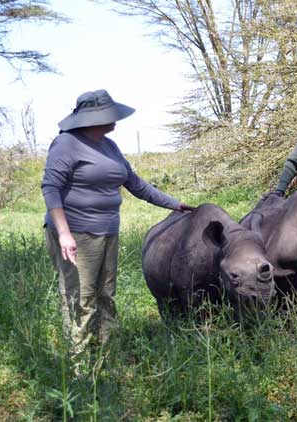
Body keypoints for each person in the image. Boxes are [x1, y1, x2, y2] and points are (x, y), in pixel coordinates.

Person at [42, 89, 195, 356]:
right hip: (77, 233)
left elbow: (135, 183)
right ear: (93, 117)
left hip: (107, 231)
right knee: (81, 297)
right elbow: (51, 189)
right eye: (109, 114)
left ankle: (107, 354)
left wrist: (173, 203)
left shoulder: (109, 146)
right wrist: (64, 234)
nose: (115, 119)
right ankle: (79, 363)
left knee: (105, 294)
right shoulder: (66, 144)